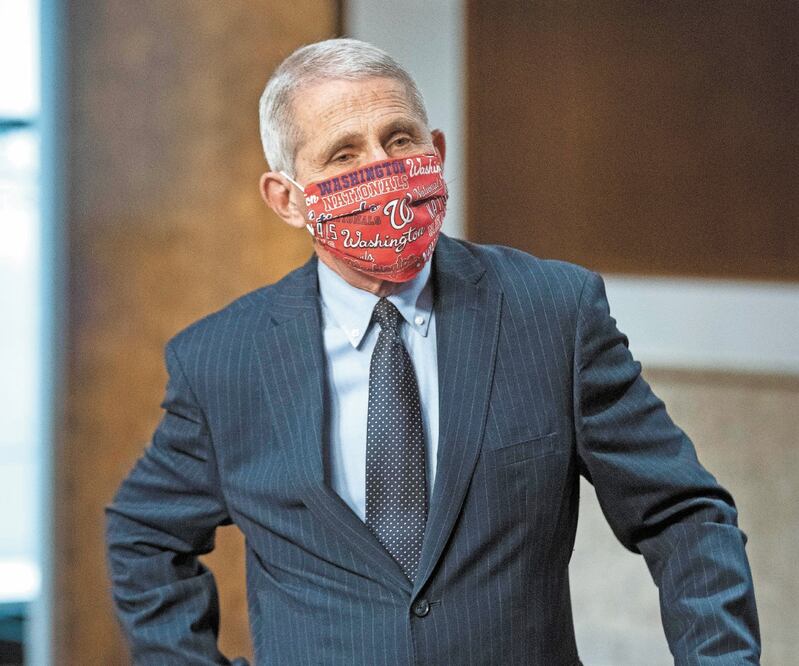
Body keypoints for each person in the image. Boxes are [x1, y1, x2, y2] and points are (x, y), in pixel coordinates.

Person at [104, 38, 760, 665]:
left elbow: (682, 514)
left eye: (399, 140)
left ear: (435, 151)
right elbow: (145, 536)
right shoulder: (223, 359)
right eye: (343, 155)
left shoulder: (553, 312)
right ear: (287, 199)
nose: (382, 170)